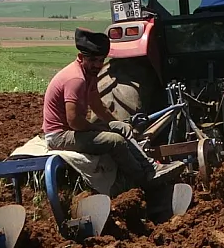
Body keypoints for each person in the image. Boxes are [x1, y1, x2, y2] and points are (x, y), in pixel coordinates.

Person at [42, 28, 181, 192]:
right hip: (59, 136)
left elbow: (97, 105)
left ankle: (151, 169)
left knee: (121, 128)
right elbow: (74, 121)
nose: (98, 65)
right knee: (115, 141)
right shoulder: (76, 79)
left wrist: (116, 123)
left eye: (101, 60)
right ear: (81, 57)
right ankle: (143, 179)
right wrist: (99, 128)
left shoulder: (90, 75)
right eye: (93, 60)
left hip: (71, 131)